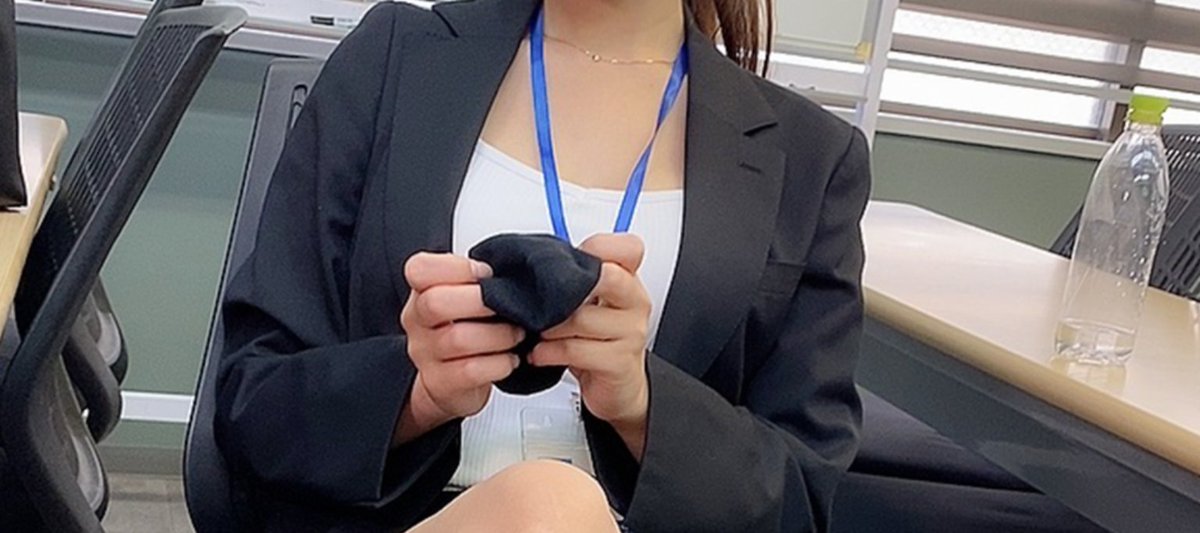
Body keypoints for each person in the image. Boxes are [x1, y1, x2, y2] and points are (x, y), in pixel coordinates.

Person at [215, 0, 870, 531]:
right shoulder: (395, 58)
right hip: (392, 515)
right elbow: (253, 403)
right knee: (545, 506)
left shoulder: (811, 158)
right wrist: (416, 393)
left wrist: (643, 407)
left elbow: (800, 499)